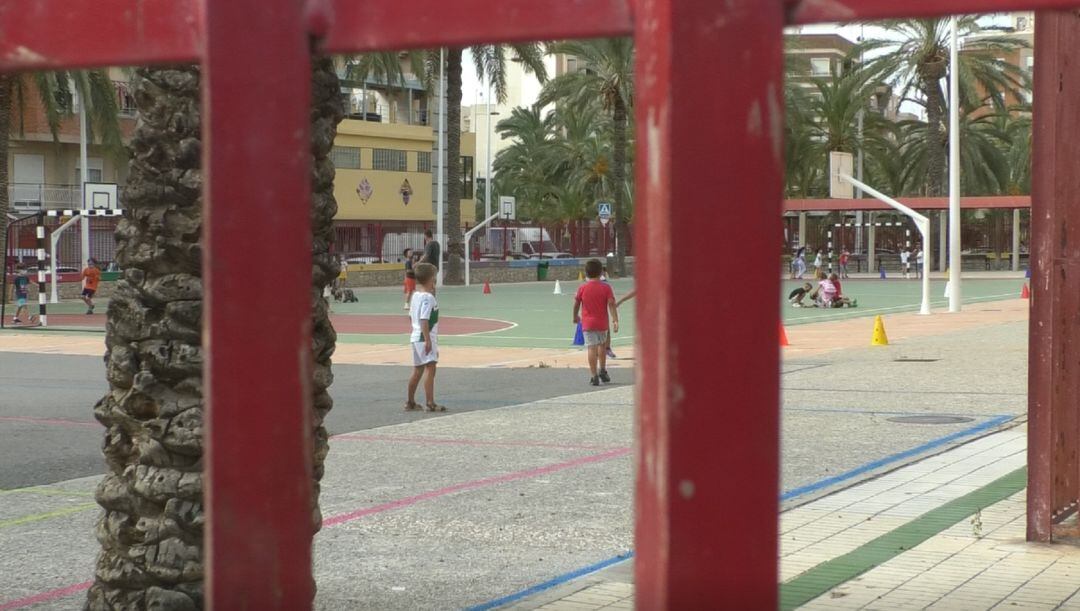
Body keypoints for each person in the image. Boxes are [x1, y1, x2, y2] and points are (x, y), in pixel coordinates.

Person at [406, 262, 445, 412]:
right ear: (431, 279)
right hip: (424, 337)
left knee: (417, 369)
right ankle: (430, 402)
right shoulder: (428, 298)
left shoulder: (415, 296)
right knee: (431, 367)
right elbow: (424, 319)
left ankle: (410, 402)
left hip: (415, 336)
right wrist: (428, 339)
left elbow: (412, 317)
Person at [574, 259, 619, 386]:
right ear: (601, 272)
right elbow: (611, 304)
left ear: (586, 273)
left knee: (591, 348)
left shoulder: (582, 288)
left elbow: (576, 304)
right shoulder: (606, 288)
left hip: (587, 324)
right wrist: (615, 319)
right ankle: (603, 370)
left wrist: (575, 316)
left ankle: (594, 376)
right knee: (602, 347)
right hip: (602, 323)